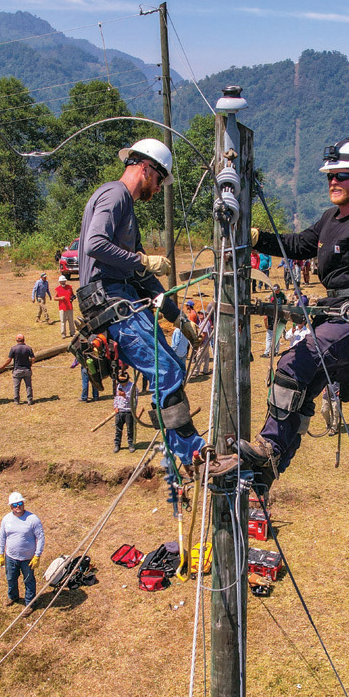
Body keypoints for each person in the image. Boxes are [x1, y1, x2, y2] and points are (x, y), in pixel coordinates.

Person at [228, 137, 349, 487]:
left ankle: (269, 445)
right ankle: (269, 471)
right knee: (304, 389)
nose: (334, 183)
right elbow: (297, 245)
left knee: (292, 363)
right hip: (334, 317)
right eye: (330, 177)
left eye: (342, 176)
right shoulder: (330, 218)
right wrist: (256, 236)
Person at [77, 137, 234, 476]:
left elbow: (142, 279)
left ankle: (192, 453)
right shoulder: (115, 194)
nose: (159, 187)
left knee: (172, 367)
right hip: (110, 299)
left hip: (123, 297)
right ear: (146, 168)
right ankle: (194, 457)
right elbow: (93, 244)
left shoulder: (125, 207)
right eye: (160, 179)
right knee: (168, 372)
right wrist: (142, 258)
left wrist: (179, 320)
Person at [0, 492, 45, 609]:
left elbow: (41, 537)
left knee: (29, 581)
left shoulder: (33, 519)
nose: (17, 507)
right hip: (11, 557)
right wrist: (0, 554)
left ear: (23, 503)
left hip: (27, 559)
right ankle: (13, 597)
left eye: (19, 503)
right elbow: (2, 537)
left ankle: (30, 603)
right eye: (14, 505)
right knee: (11, 578)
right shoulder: (6, 519)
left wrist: (37, 556)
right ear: (10, 506)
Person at [0, 333, 35, 405]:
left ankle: (16, 400)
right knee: (28, 386)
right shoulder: (28, 348)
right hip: (27, 370)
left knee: (16, 387)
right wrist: (30, 364)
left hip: (17, 370)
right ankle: (30, 400)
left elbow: (9, 360)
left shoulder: (13, 348)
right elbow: (33, 358)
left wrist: (3, 366)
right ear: (24, 340)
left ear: (16, 340)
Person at [113, 370, 136, 453]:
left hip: (128, 411)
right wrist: (115, 406)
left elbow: (134, 400)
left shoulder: (132, 387)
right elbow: (116, 397)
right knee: (118, 429)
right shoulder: (118, 386)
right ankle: (117, 444)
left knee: (130, 429)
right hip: (120, 411)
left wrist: (125, 396)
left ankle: (131, 444)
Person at [261, 284, 285, 357]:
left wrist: (266, 326)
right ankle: (276, 351)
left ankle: (267, 352)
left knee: (269, 339)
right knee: (276, 337)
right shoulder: (279, 309)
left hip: (271, 325)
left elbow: (265, 318)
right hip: (278, 322)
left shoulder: (269, 308)